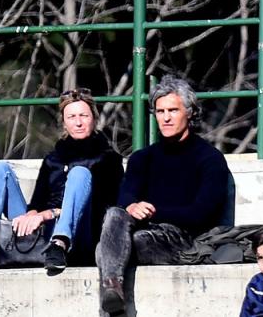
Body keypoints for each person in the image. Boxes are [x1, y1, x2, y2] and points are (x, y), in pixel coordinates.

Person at [96, 75, 232, 314]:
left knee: (111, 247)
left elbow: (201, 213)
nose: (166, 117)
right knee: (115, 215)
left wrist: (151, 212)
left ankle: (111, 302)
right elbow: (125, 197)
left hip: (183, 238)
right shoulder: (142, 158)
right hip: (141, 229)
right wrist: (131, 206)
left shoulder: (209, 158)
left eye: (173, 110)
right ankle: (112, 288)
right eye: (160, 111)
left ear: (189, 113)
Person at [0, 88, 123, 274]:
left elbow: (101, 208)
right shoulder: (53, 159)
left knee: (80, 173)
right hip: (45, 229)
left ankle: (60, 242)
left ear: (93, 119)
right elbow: (37, 202)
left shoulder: (108, 158)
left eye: (84, 116)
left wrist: (48, 214)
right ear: (64, 122)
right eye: (71, 117)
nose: (78, 122)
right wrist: (30, 215)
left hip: (82, 232)